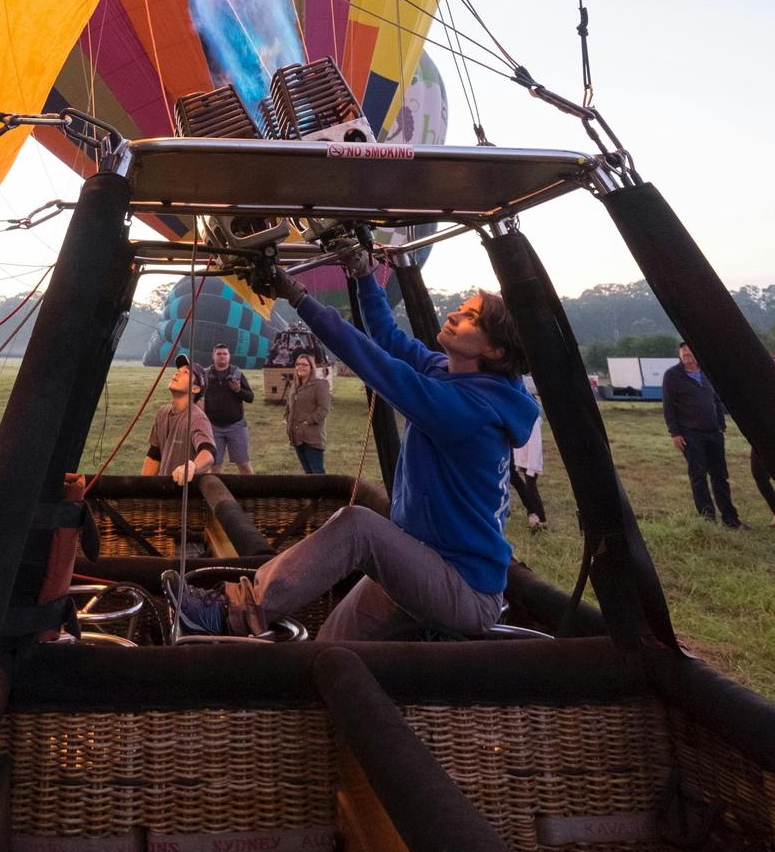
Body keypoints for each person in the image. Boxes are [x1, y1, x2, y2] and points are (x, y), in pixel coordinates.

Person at [170, 246, 537, 640]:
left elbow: (373, 362)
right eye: (462, 308)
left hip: (462, 589)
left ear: (495, 350)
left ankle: (235, 612)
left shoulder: (470, 410)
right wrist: (364, 277)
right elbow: (388, 339)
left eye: (470, 318)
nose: (453, 314)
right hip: (419, 558)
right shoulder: (446, 372)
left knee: (358, 525)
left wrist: (299, 299)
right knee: (330, 646)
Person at [662, 344, 742, 527]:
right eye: (684, 353)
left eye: (690, 352)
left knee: (720, 476)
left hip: (713, 433)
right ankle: (709, 521)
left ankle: (731, 519)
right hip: (690, 434)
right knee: (698, 476)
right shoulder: (672, 376)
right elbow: (668, 407)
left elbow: (716, 399)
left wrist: (721, 424)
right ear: (679, 355)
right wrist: (674, 433)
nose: (687, 356)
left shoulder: (706, 372)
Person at [141, 354, 215, 483]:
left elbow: (209, 452)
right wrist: (142, 487)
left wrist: (192, 466)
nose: (177, 373)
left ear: (195, 388)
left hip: (185, 495)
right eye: (178, 371)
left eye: (185, 372)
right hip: (164, 492)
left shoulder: (197, 418)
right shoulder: (162, 413)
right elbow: (154, 455)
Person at [202, 341, 255, 473]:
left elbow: (250, 397)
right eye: (219, 354)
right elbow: (195, 396)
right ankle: (215, 492)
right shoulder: (205, 375)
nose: (222, 356)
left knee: (243, 464)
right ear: (213, 356)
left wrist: (238, 391)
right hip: (213, 427)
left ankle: (252, 492)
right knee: (214, 466)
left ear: (229, 356)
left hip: (236, 426)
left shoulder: (237, 374)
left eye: (225, 354)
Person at [510, 375, 547, 531]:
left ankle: (541, 519)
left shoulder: (532, 420)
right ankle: (533, 514)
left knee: (531, 488)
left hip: (529, 460)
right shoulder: (522, 416)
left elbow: (534, 444)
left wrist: (532, 465)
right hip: (521, 457)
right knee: (516, 478)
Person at [285, 351, 330, 474]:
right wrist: (286, 418)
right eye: (298, 364)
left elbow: (324, 409)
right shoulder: (295, 386)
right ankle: (313, 493)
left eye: (304, 365)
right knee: (308, 472)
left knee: (317, 471)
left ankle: (324, 493)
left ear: (311, 367)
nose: (300, 367)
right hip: (296, 434)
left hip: (312, 435)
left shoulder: (320, 385)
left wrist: (308, 421)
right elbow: (289, 405)